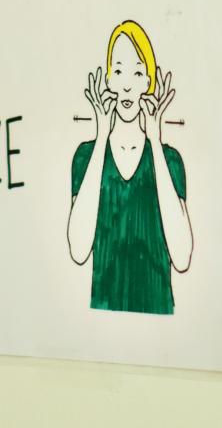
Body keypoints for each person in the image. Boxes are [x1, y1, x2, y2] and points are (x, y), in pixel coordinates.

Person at [68, 21, 192, 314]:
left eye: (137, 73)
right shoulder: (85, 157)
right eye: (119, 71)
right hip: (102, 315)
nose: (126, 85)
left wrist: (155, 141)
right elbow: (78, 250)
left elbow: (182, 257)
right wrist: (101, 137)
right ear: (108, 79)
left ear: (149, 81)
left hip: (160, 313)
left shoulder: (170, 160)